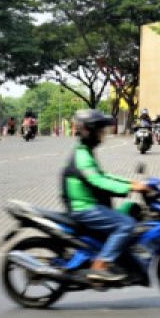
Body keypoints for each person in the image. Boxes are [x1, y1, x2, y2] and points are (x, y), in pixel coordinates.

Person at [63, 108, 149, 282]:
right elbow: (98, 181)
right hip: (85, 208)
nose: (102, 135)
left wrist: (131, 183)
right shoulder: (82, 156)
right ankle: (100, 265)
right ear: (89, 131)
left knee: (128, 212)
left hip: (88, 205)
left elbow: (103, 176)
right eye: (100, 130)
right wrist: (129, 189)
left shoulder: (85, 152)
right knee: (126, 225)